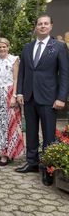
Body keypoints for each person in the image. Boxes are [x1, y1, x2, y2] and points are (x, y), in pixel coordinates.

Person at [16, 15, 69, 182]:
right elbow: (22, 72)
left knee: (48, 135)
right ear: (36, 27)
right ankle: (31, 162)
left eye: (46, 24)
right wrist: (19, 93)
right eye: (40, 24)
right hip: (29, 97)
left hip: (49, 98)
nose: (43, 26)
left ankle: (48, 168)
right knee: (30, 132)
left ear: (51, 26)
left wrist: (61, 97)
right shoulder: (27, 47)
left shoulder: (59, 47)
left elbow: (65, 74)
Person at [0, 38, 24, 166]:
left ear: (8, 47)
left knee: (10, 124)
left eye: (4, 47)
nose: (2, 49)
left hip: (9, 94)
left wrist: (14, 96)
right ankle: (3, 153)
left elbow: (16, 79)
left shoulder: (14, 60)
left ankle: (11, 152)